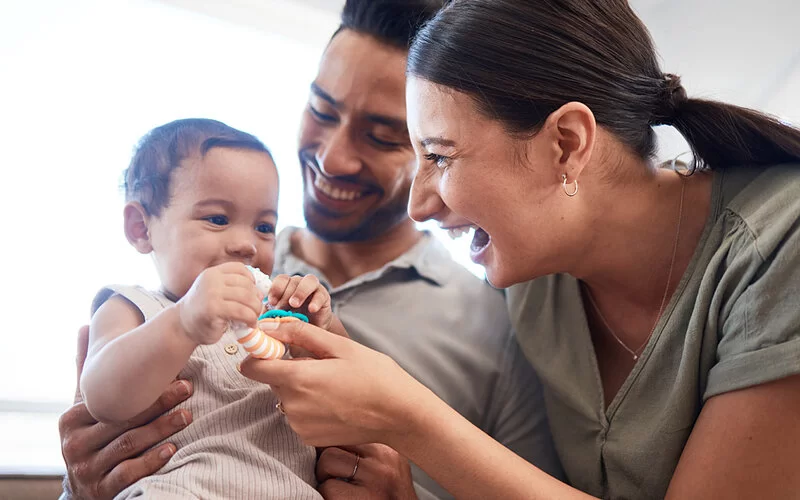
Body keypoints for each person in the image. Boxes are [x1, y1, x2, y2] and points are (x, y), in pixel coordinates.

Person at [238, 0, 800, 498]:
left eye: (439, 156)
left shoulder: (781, 244)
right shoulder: (534, 287)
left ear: (567, 143)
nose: (419, 206)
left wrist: (407, 418)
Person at [58, 2, 563, 499]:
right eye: (322, 110)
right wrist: (81, 486)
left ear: (434, 151)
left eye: (383, 136)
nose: (332, 157)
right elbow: (106, 408)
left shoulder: (496, 324)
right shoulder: (196, 277)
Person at [80, 117, 347, 499]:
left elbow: (351, 407)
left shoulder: (275, 321)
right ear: (142, 228)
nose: (246, 245)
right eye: (218, 219)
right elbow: (103, 397)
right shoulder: (135, 308)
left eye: (265, 227)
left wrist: (322, 333)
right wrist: (183, 322)